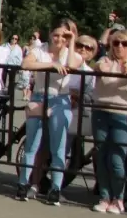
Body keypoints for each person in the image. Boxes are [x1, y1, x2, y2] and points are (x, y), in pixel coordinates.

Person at [17, 19, 84, 205]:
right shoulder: (40, 50)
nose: (59, 39)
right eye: (56, 35)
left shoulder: (72, 53)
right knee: (32, 145)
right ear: (50, 34)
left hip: (60, 99)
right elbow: (26, 64)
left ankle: (55, 188)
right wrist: (50, 65)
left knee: (58, 147)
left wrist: (71, 43)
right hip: (39, 97)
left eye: (64, 36)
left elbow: (72, 65)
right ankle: (23, 183)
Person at [91, 28, 127, 214]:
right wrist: (99, 68)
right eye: (116, 43)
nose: (120, 47)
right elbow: (98, 68)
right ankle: (104, 197)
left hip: (125, 113)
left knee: (117, 157)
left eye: (124, 43)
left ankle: (118, 197)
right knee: (101, 154)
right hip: (101, 111)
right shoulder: (105, 61)